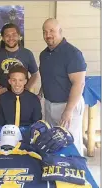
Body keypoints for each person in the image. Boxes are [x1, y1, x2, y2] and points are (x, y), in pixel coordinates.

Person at [38, 18, 86, 155]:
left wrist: (68, 110)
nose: (48, 35)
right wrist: (40, 94)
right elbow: (48, 77)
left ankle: (74, 170)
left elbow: (79, 83)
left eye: (51, 31)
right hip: (49, 104)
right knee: (52, 141)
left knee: (70, 142)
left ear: (60, 31)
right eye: (45, 32)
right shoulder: (44, 54)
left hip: (67, 105)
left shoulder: (72, 54)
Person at [0, 23, 40, 94]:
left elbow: (35, 74)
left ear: (19, 36)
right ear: (3, 38)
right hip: (3, 95)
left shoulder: (27, 53)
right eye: (7, 35)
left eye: (14, 35)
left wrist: (26, 88)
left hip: (23, 95)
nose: (11, 38)